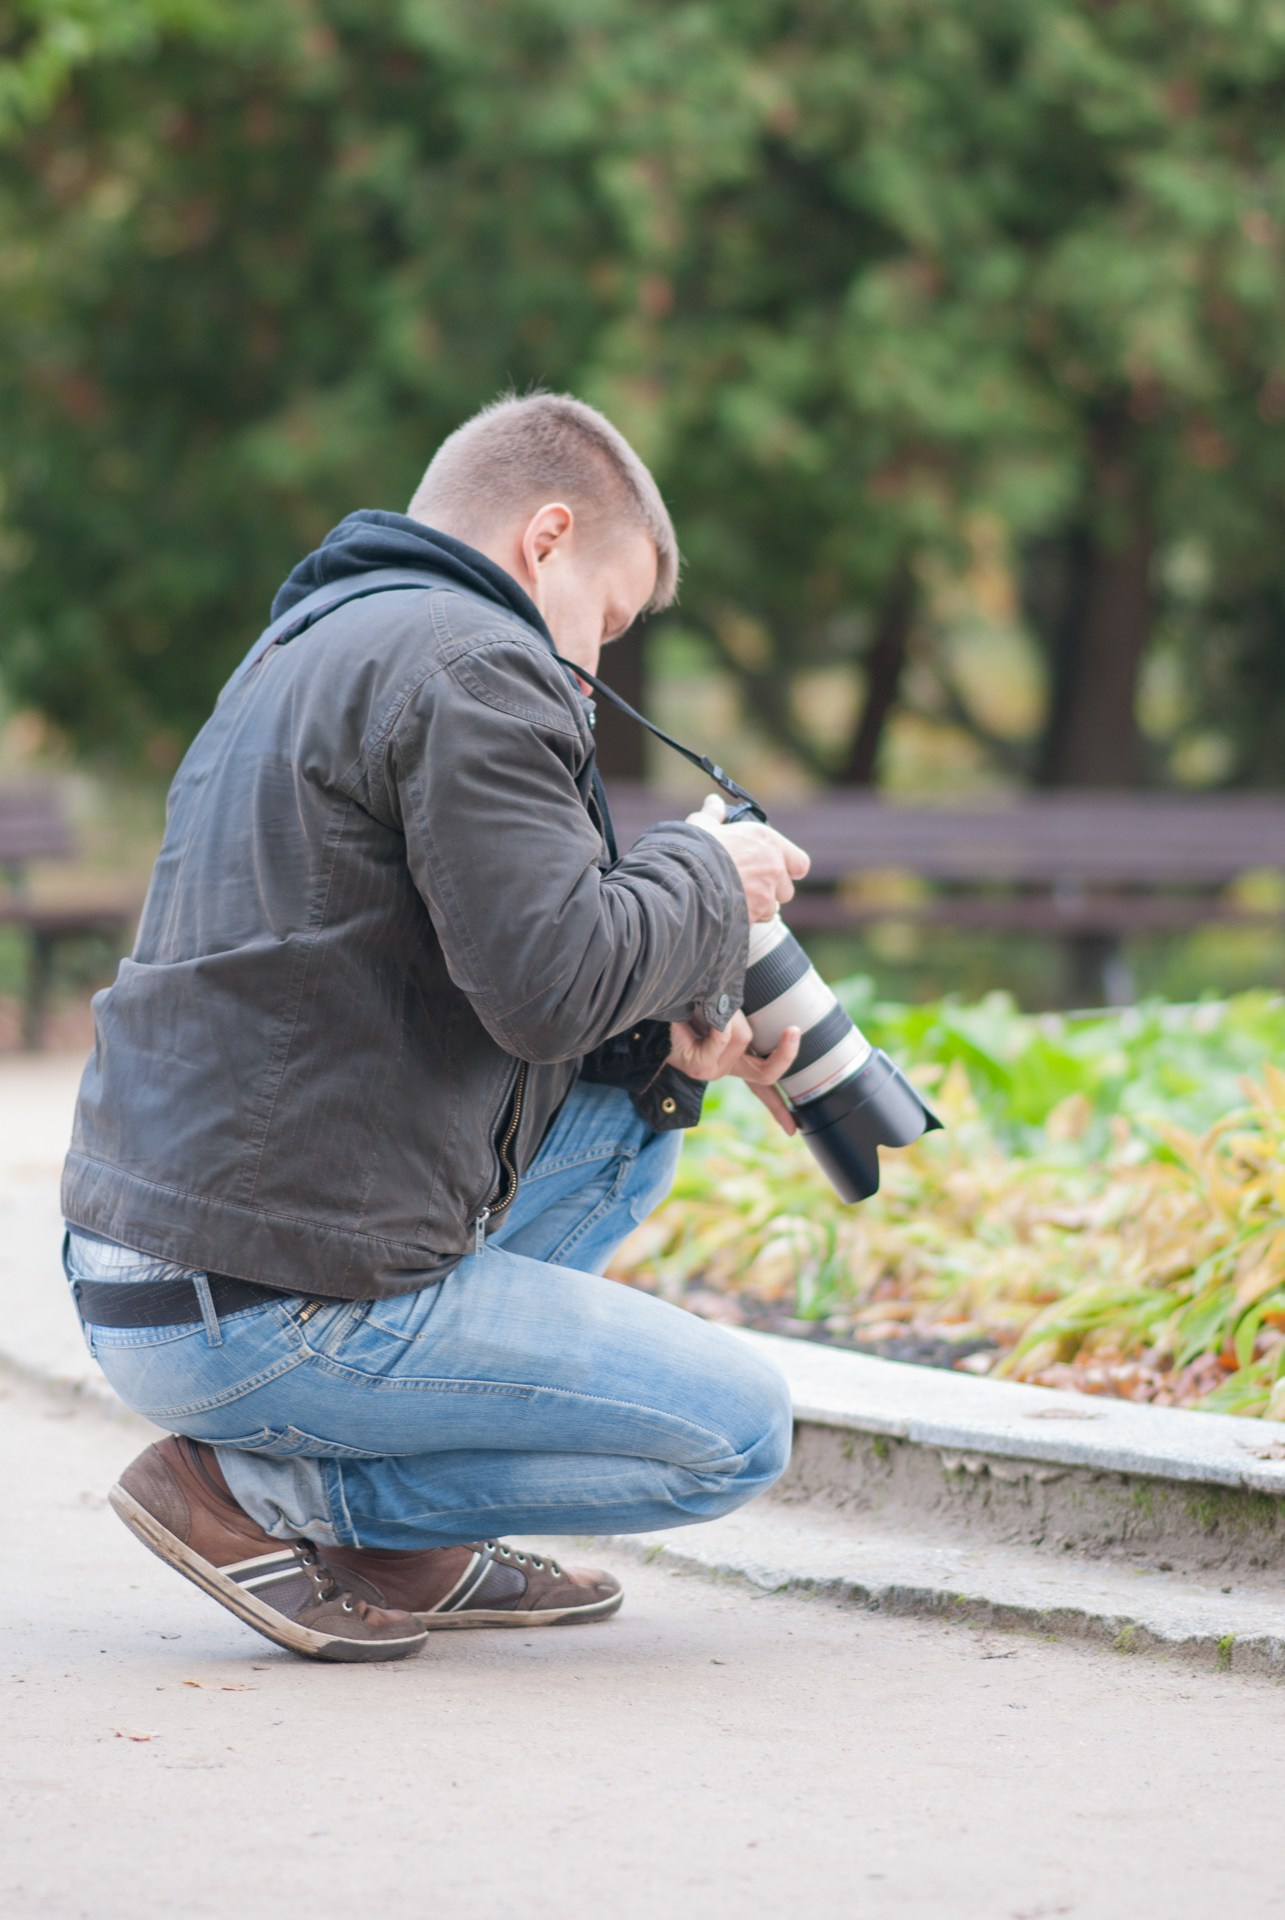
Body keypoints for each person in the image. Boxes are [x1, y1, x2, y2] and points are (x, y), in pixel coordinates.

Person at [61, 392, 810, 1663]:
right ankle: (276, 1497)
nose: (595, 669)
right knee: (736, 1433)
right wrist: (705, 872)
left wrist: (677, 1044)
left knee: (632, 1119)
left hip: (160, 1266)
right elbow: (547, 982)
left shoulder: (312, 643)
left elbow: (468, 974)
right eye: (607, 621)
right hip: (257, 1300)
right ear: (547, 537)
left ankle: (396, 1551)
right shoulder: (475, 662)